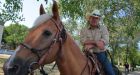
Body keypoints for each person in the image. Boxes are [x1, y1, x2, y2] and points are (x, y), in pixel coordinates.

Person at [80, 9, 115, 75]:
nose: (94, 19)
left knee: (110, 73)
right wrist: (96, 43)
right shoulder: (83, 30)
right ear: (89, 18)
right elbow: (83, 41)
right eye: (93, 17)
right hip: (86, 54)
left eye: (96, 18)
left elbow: (102, 44)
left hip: (100, 54)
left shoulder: (103, 28)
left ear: (99, 20)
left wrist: (91, 45)